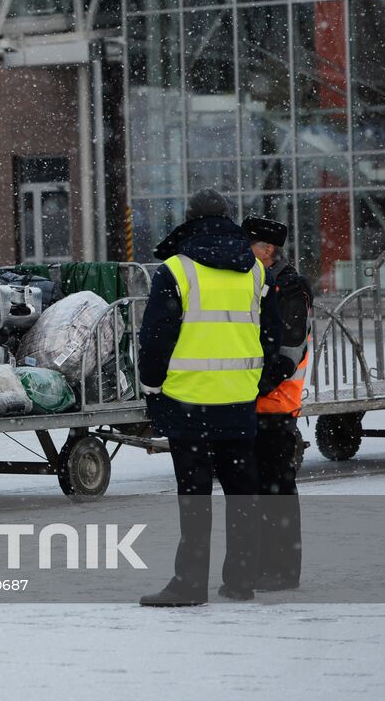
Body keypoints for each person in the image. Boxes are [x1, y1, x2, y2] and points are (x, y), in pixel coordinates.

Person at [137, 188, 283, 607]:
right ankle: (240, 580)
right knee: (242, 492)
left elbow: (155, 338)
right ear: (229, 218)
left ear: (188, 219)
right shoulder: (256, 271)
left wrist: (151, 386)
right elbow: (273, 334)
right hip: (238, 402)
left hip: (188, 403)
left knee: (195, 495)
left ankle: (190, 584)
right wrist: (258, 381)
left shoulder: (176, 270)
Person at [244, 216, 311, 592]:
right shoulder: (257, 282)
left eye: (249, 245)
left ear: (267, 250)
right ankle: (261, 566)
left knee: (278, 493)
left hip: (276, 407)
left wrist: (253, 387)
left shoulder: (289, 286)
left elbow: (288, 353)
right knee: (259, 493)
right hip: (254, 406)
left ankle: (283, 570)